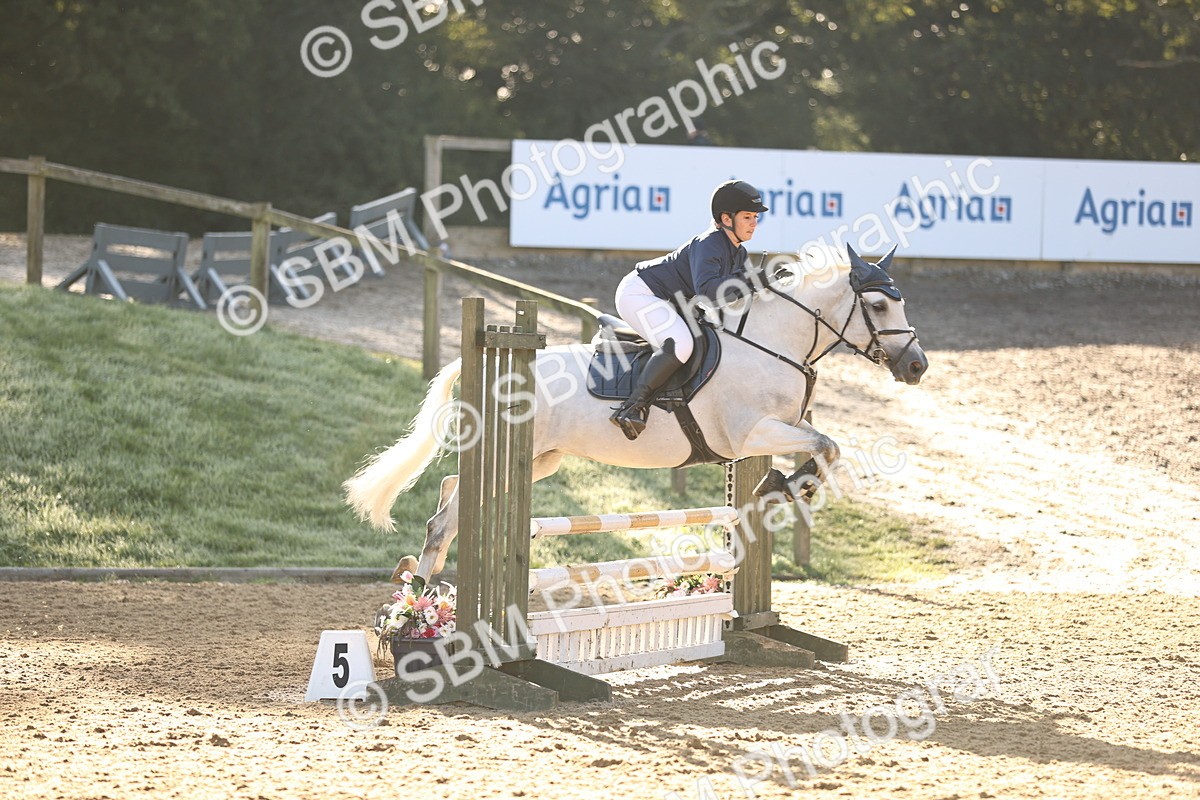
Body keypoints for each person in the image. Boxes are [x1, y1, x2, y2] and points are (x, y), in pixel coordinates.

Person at [608, 179, 769, 440]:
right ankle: (632, 407)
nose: (754, 223)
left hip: (668, 300)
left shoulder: (737, 253)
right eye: (748, 216)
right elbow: (708, 291)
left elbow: (733, 298)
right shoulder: (710, 244)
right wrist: (749, 282)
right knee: (681, 343)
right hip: (640, 294)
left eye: (755, 217)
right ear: (726, 218)